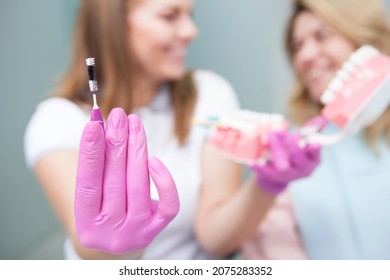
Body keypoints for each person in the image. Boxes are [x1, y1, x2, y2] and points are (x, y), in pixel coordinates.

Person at [24, 0, 320, 260]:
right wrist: (117, 246)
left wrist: (267, 185)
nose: (190, 31)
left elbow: (216, 240)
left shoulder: (209, 94)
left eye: (190, 15)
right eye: (169, 15)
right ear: (112, 24)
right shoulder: (56, 121)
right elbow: (91, 252)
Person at [242, 0, 390, 260]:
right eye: (297, 46)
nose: (304, 56)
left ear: (364, 38)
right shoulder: (294, 154)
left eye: (322, 36)